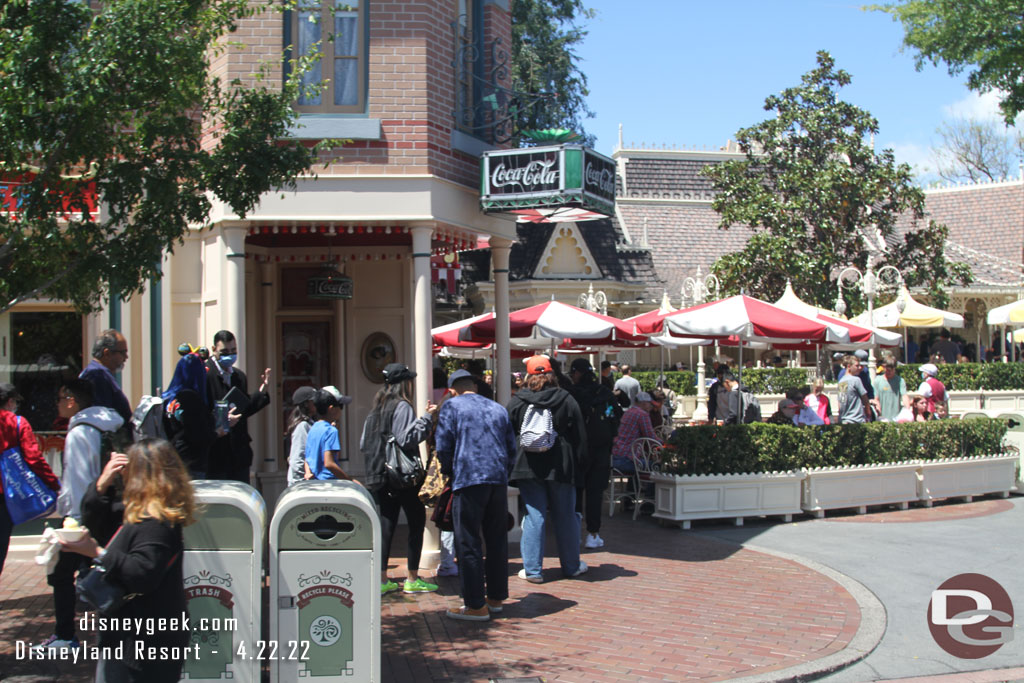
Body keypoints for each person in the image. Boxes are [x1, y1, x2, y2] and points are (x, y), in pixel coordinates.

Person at [58, 439, 194, 683]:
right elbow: (96, 520)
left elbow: (143, 573)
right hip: (128, 636)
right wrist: (101, 484)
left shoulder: (157, 522)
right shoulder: (139, 513)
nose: (124, 478)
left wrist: (98, 553)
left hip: (145, 641)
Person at [38, 380, 124, 653]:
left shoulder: (79, 432)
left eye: (60, 398)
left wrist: (72, 520)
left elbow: (78, 480)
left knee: (61, 573)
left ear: (71, 399)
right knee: (110, 572)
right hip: (116, 509)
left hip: (88, 512)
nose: (58, 404)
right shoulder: (113, 424)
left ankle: (65, 636)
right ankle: (116, 637)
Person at [434, 369, 516, 621]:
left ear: (452, 390)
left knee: (468, 542)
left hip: (468, 478)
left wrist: (449, 471)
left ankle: (475, 604)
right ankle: (496, 597)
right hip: (497, 481)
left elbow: (443, 446)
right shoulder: (498, 409)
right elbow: (511, 448)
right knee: (496, 540)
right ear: (476, 387)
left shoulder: (452, 407)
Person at [358, 363, 438, 595]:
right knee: (415, 522)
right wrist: (427, 419)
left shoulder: (375, 410)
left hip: (378, 475)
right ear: (405, 383)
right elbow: (407, 438)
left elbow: (364, 443)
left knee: (385, 526)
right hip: (401, 477)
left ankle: (382, 580)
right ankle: (412, 579)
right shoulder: (402, 406)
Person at [507, 355, 587, 583]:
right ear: (552, 374)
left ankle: (533, 570)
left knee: (535, 516)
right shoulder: (566, 398)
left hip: (527, 464)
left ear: (529, 376)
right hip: (561, 464)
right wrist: (581, 464)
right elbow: (580, 436)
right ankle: (571, 566)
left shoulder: (518, 400)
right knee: (565, 516)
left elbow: (507, 432)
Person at [0, 383, 60, 576]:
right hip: (6, 495)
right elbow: (33, 457)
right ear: (10, 402)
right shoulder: (17, 423)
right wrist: (53, 483)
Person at [204, 330, 272, 483]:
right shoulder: (206, 374)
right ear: (214, 349)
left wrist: (262, 391)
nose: (230, 355)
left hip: (239, 454)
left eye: (234, 351)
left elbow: (244, 408)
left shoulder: (239, 376)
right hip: (216, 455)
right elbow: (201, 413)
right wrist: (222, 419)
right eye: (225, 351)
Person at [566, 358, 619, 550]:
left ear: (577, 373)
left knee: (575, 492)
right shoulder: (604, 392)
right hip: (601, 450)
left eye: (573, 373)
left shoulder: (571, 395)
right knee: (595, 493)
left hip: (577, 449)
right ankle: (593, 534)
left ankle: (574, 533)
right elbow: (615, 417)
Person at [162, 352, 217, 478]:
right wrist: (217, 430)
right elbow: (199, 435)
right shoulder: (190, 399)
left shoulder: (171, 397)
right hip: (192, 464)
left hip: (174, 460)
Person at [79, 329, 132, 429]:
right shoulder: (97, 375)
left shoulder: (99, 373)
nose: (126, 357)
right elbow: (103, 417)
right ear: (107, 353)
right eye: (122, 352)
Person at [305, 386, 355, 481]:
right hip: (329, 484)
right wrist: (349, 480)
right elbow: (329, 463)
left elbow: (307, 459)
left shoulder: (313, 429)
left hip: (314, 484)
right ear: (331, 409)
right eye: (340, 406)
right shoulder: (331, 431)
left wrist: (308, 473)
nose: (341, 410)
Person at [611, 391, 660, 474]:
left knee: (642, 463)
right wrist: (666, 445)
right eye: (650, 404)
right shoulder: (642, 414)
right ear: (644, 403)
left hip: (615, 457)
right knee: (656, 466)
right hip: (626, 460)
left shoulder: (629, 412)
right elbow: (650, 437)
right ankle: (644, 487)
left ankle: (634, 486)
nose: (651, 407)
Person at [285, 386, 317, 486]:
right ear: (306, 404)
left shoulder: (311, 423)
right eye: (314, 400)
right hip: (301, 483)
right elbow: (299, 456)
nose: (316, 403)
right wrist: (300, 482)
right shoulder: (302, 426)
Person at [838, 355, 871, 424]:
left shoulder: (841, 382)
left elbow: (840, 403)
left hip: (844, 419)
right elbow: (865, 398)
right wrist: (868, 411)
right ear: (849, 366)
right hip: (856, 419)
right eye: (856, 366)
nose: (859, 368)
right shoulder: (856, 380)